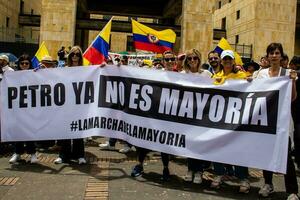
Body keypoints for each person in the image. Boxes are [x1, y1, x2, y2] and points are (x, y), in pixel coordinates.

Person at [255, 43, 298, 200]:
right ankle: (268, 184)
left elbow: (292, 98)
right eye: (271, 53)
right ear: (267, 56)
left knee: (285, 155)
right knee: (267, 153)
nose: (274, 55)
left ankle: (292, 190)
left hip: (283, 121)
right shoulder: (261, 74)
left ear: (281, 56)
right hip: (266, 120)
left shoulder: (287, 73)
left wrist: (292, 82)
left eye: (277, 52)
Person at [131, 50, 177, 181]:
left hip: (169, 115)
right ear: (163, 61)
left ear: (175, 61)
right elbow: (135, 76)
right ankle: (139, 165)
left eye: (171, 59)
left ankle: (166, 168)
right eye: (167, 59)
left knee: (165, 143)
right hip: (154, 113)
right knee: (145, 140)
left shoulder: (181, 76)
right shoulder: (156, 74)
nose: (169, 62)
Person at [210, 50, 250, 193]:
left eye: (229, 59)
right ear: (221, 61)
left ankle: (243, 178)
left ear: (234, 61)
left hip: (236, 118)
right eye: (225, 59)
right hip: (219, 118)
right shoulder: (216, 76)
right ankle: (219, 173)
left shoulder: (242, 76)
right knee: (217, 146)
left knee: (238, 147)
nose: (227, 61)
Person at [181, 49, 212, 184]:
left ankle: (199, 171)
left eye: (195, 58)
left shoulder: (207, 74)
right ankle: (190, 169)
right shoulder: (182, 74)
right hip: (188, 114)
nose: (192, 61)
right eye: (189, 58)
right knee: (190, 143)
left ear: (199, 60)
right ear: (186, 61)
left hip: (203, 115)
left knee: (200, 143)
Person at [54, 46, 87, 165]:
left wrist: (102, 67)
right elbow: (52, 78)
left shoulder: (85, 70)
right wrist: (41, 71)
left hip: (79, 106)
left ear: (80, 57)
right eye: (73, 54)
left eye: (77, 54)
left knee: (78, 131)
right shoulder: (64, 69)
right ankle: (63, 156)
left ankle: (80, 155)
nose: (75, 56)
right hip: (66, 105)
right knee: (66, 131)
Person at [8, 54, 38, 164]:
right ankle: (17, 153)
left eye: (27, 63)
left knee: (29, 131)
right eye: (22, 63)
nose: (24, 65)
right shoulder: (13, 75)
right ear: (19, 64)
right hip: (17, 108)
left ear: (30, 64)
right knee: (18, 131)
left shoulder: (34, 74)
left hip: (30, 108)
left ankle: (33, 153)